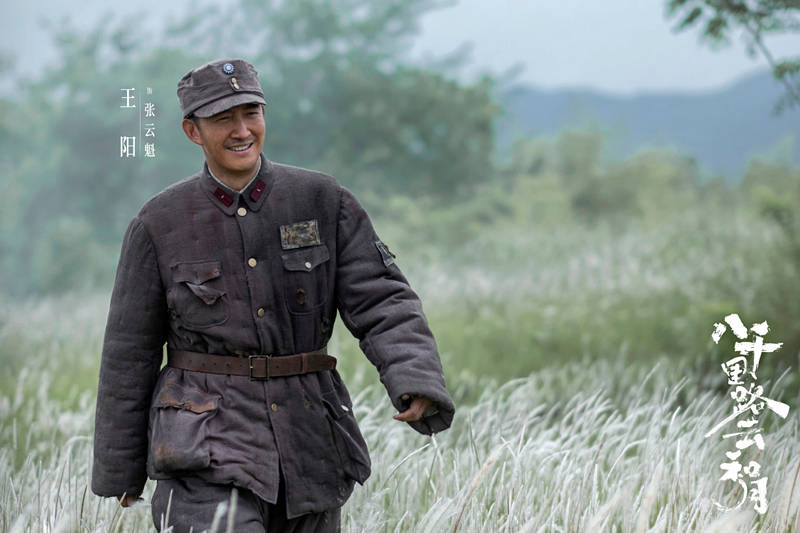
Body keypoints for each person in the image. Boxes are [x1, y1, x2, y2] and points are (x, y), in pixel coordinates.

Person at [90, 58, 455, 532]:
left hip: (310, 444)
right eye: (223, 118)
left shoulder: (323, 200)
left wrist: (414, 374)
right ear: (192, 131)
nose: (242, 130)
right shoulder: (159, 223)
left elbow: (382, 300)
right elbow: (129, 351)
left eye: (251, 113)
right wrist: (121, 468)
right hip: (202, 452)